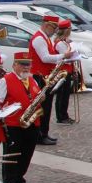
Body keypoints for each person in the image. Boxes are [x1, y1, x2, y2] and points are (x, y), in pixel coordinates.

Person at [0, 52, 39, 183]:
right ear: (14, 65)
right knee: (12, 153)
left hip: (31, 122)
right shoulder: (5, 80)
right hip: (13, 124)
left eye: (28, 65)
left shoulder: (32, 80)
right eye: (22, 64)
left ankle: (19, 177)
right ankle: (9, 180)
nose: (26, 67)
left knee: (27, 152)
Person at [29, 15, 72, 146]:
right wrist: (63, 56)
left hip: (46, 75)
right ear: (47, 25)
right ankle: (40, 135)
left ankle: (44, 133)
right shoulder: (39, 39)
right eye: (54, 28)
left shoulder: (45, 38)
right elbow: (45, 58)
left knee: (47, 107)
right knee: (44, 107)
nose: (54, 31)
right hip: (40, 76)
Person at [51, 20, 76, 126]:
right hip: (62, 71)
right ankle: (61, 117)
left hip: (67, 70)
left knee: (65, 95)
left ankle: (64, 115)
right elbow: (66, 57)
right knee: (62, 95)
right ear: (67, 30)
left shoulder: (64, 41)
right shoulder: (60, 43)